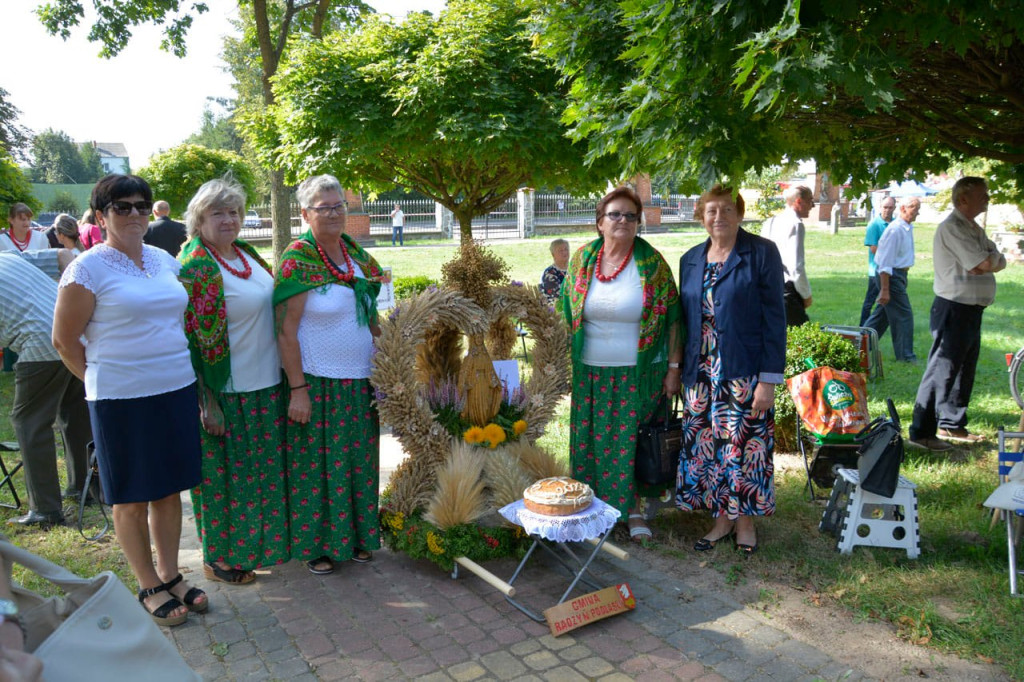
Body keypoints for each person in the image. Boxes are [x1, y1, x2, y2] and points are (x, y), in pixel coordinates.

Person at [51, 174, 205, 627]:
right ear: (101, 216)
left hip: (175, 388)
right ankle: (148, 583)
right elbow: (64, 341)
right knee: (132, 496)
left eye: (142, 205)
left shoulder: (163, 261)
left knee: (170, 489)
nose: (136, 213)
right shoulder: (87, 269)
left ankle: (171, 572)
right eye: (123, 207)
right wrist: (105, 381)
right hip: (121, 399)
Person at [274, 174, 388, 575]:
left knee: (358, 460)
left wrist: (391, 352)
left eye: (339, 204)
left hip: (360, 380)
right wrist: (298, 390)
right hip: (317, 380)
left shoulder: (356, 256)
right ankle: (316, 544)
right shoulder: (297, 260)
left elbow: (371, 315)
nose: (335, 213)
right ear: (306, 214)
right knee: (317, 466)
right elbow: (286, 331)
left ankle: (357, 536)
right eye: (324, 207)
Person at [179, 178, 289, 585]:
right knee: (223, 480)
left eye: (235, 212)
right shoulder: (195, 268)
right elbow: (190, 341)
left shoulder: (245, 255)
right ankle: (219, 558)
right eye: (218, 213)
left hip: (265, 384)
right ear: (199, 219)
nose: (229, 220)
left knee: (259, 476)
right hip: (226, 391)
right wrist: (207, 400)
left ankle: (253, 548)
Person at [561, 186, 681, 542]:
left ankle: (631, 509)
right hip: (588, 370)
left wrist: (673, 369)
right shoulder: (582, 259)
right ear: (600, 222)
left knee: (629, 441)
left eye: (631, 216)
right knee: (588, 441)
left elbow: (674, 318)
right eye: (615, 214)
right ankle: (588, 508)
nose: (623, 221)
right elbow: (565, 312)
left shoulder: (651, 263)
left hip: (636, 372)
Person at [676, 184, 786, 555]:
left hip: (743, 371)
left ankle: (746, 523)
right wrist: (679, 370)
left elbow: (775, 318)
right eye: (710, 210)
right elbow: (684, 318)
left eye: (726, 209)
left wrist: (768, 380)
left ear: (739, 214)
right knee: (707, 449)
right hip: (701, 373)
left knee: (743, 447)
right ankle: (721, 520)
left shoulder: (761, 253)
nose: (718, 217)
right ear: (701, 216)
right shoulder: (691, 259)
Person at [909, 177, 1006, 451]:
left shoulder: (972, 226)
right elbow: (982, 262)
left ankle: (952, 423)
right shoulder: (952, 227)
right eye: (982, 195)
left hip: (971, 308)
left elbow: (996, 258)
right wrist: (991, 259)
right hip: (954, 306)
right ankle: (921, 432)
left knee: (965, 368)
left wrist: (992, 259)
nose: (987, 199)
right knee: (943, 368)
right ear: (963, 199)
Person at [0, 250, 90, 528]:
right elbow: (65, 255)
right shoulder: (7, 257)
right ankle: (85, 488)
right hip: (74, 330)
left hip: (39, 341)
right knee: (75, 412)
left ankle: (46, 510)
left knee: (30, 422)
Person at [863, 197, 920, 364]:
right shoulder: (895, 230)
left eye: (918, 208)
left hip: (899, 275)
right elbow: (884, 262)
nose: (917, 212)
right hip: (891, 276)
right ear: (903, 208)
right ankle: (906, 357)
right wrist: (885, 289)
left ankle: (860, 347)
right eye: (914, 208)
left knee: (882, 317)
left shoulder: (906, 227)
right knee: (904, 315)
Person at [762, 185, 813, 326]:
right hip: (787, 291)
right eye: (810, 201)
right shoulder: (796, 224)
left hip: (767, 286)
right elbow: (796, 267)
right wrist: (806, 294)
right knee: (803, 337)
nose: (812, 206)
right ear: (798, 201)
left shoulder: (770, 222)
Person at [859, 196, 896, 325]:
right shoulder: (874, 225)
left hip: (892, 269)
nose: (887, 210)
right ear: (880, 207)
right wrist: (891, 256)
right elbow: (874, 248)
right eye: (885, 207)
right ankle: (863, 326)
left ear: (894, 208)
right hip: (876, 269)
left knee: (888, 299)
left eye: (890, 207)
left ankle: (879, 324)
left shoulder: (896, 223)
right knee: (870, 300)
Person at [539, 238, 569, 306]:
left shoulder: (574, 268)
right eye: (560, 250)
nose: (564, 252)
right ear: (553, 254)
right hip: (557, 308)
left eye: (566, 249)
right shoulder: (550, 273)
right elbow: (557, 296)